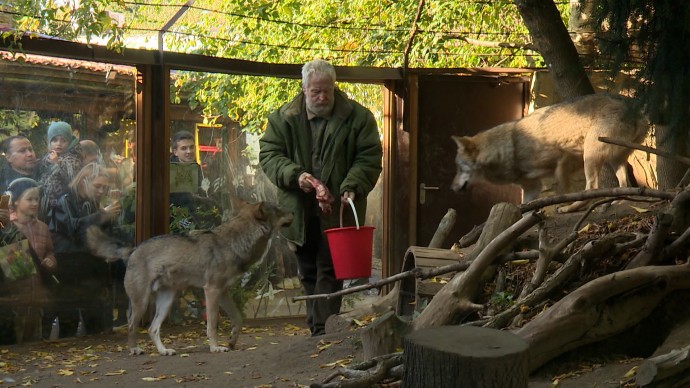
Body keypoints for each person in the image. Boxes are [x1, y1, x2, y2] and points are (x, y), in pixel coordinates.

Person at [259, 59, 382, 336]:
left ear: (334, 86)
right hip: (298, 211)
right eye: (315, 91)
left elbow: (369, 157)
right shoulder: (282, 119)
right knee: (307, 270)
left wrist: (353, 185)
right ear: (303, 89)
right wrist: (297, 176)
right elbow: (269, 155)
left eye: (326, 90)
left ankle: (322, 331)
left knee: (330, 269)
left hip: (337, 210)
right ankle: (319, 329)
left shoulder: (359, 118)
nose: (322, 97)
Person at [47, 162, 121, 337]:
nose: (101, 191)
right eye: (97, 186)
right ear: (83, 181)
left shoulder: (92, 202)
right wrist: (103, 215)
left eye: (104, 187)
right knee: (69, 319)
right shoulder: (64, 199)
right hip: (70, 264)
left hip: (89, 264)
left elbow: (97, 231)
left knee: (95, 316)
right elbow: (73, 228)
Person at [0, 178, 57, 344]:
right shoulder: (7, 227)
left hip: (36, 299)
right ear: (15, 200)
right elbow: (18, 268)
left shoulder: (43, 227)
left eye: (37, 199)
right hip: (14, 301)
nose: (34, 203)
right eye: (29, 199)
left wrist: (51, 260)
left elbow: (50, 251)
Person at [38, 121, 83, 219]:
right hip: (47, 205)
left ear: (70, 141)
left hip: (65, 206)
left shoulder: (74, 158)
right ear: (49, 142)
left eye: (63, 140)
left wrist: (57, 163)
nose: (59, 144)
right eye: (55, 140)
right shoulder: (47, 157)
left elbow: (71, 179)